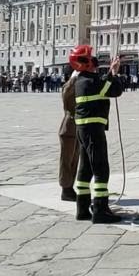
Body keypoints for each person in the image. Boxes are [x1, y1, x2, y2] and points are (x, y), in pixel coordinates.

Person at [70, 45, 125, 223]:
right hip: (93, 130)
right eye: (91, 58)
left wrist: (110, 72)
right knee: (101, 168)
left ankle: (82, 208)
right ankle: (101, 210)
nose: (94, 61)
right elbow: (115, 90)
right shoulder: (91, 81)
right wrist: (114, 72)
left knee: (85, 169)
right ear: (86, 63)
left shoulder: (81, 80)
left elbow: (104, 84)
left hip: (83, 129)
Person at [57, 68, 81, 202]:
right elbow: (66, 95)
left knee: (74, 159)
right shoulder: (68, 88)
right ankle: (66, 189)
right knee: (67, 160)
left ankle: (69, 187)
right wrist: (73, 80)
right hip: (69, 127)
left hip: (76, 127)